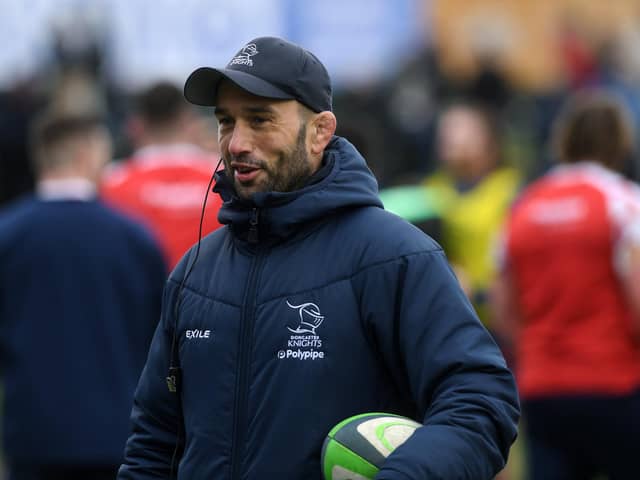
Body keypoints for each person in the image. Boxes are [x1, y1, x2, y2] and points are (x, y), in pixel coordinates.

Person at [118, 36, 520, 480]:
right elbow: (154, 444)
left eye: (260, 119)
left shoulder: (393, 256)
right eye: (226, 121)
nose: (236, 143)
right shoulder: (194, 274)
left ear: (321, 132)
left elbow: (480, 399)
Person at [0, 112, 167, 480]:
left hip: (33, 437)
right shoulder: (134, 238)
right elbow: (160, 340)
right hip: (117, 436)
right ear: (88, 154)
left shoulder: (8, 236)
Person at [493, 89, 640, 480]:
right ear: (621, 142)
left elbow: (504, 308)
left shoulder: (522, 207)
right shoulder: (624, 203)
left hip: (543, 390)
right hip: (616, 386)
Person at [101, 82, 222, 269]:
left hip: (140, 294)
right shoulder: (223, 177)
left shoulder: (111, 182)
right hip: (211, 290)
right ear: (188, 121)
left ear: (136, 125)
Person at [424, 102, 521, 325]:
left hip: (497, 318)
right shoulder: (429, 192)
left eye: (465, 129)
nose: (454, 137)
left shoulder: (510, 190)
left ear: (490, 140)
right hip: (446, 318)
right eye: (447, 130)